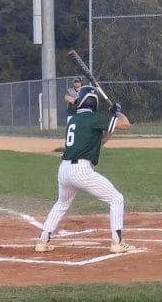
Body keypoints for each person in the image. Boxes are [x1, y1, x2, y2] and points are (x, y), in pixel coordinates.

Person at [36, 85, 136, 254]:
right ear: (94, 102)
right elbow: (125, 124)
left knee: (61, 203)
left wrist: (111, 118)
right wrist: (118, 111)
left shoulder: (73, 119)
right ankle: (117, 242)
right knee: (116, 199)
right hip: (81, 170)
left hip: (64, 170)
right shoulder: (94, 118)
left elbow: (99, 142)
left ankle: (43, 240)